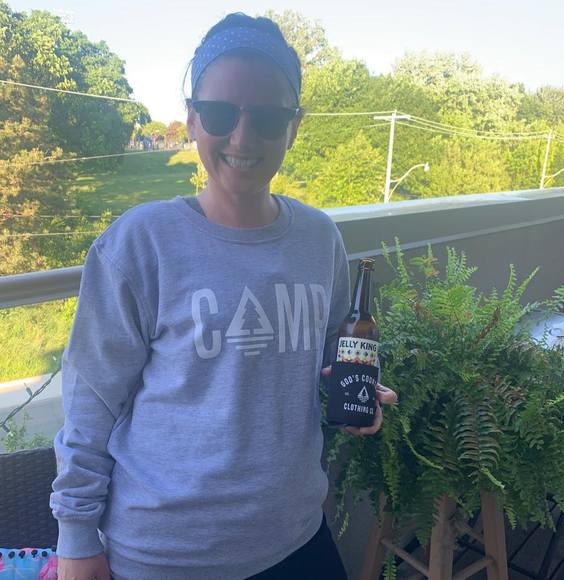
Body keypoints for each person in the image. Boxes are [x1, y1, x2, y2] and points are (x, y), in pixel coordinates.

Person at [51, 12, 397, 580]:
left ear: (294, 126)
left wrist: (358, 394)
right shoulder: (140, 243)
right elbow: (90, 403)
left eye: (267, 117)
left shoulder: (319, 239)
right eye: (219, 114)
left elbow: (327, 363)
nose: (241, 137)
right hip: (165, 554)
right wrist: (76, 539)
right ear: (192, 119)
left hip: (295, 535)